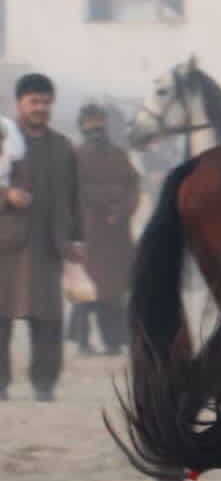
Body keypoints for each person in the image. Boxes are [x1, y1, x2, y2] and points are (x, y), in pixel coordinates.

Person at [0, 74, 83, 401]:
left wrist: (78, 239)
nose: (41, 108)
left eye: (46, 102)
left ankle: (44, 383)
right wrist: (7, 196)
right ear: (18, 103)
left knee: (48, 320)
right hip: (6, 244)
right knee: (1, 317)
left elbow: (76, 198)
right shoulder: (4, 140)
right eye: (34, 101)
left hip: (49, 245)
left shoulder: (63, 146)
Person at [69, 102, 140, 355]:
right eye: (91, 125)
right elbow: (73, 190)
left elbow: (133, 185)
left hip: (116, 235)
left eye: (99, 125)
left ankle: (113, 341)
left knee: (115, 291)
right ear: (83, 127)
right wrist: (108, 196)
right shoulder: (74, 156)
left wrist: (122, 210)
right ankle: (83, 340)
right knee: (86, 290)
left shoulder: (119, 155)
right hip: (88, 232)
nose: (96, 130)